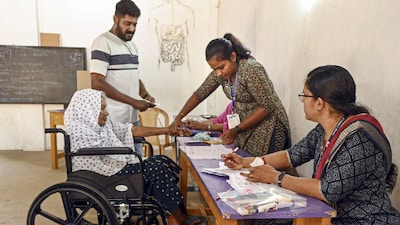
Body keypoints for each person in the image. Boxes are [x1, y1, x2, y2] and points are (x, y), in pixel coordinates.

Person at [222, 65, 400, 225]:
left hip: (362, 220)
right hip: (329, 214)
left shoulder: (359, 139)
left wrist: (276, 177)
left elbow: (327, 191)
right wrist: (248, 162)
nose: (302, 101)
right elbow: (292, 156)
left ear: (320, 103)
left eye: (304, 96)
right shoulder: (326, 128)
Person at [64, 89, 206, 225]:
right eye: (101, 109)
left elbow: (132, 130)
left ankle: (173, 213)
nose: (106, 113)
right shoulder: (79, 130)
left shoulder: (102, 125)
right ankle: (177, 219)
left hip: (113, 167)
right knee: (155, 169)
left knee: (163, 161)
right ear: (88, 110)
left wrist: (167, 130)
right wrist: (126, 153)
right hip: (102, 175)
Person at [170, 33, 291, 157]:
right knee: (245, 165)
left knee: (262, 166)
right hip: (246, 126)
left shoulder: (251, 70)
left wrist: (238, 129)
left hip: (268, 126)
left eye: (221, 67)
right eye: (214, 69)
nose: (218, 73)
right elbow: (200, 93)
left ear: (233, 57)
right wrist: (179, 117)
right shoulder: (223, 74)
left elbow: (267, 106)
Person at [90, 0, 155, 156]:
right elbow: (96, 82)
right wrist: (133, 102)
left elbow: (133, 76)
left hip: (132, 119)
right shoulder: (102, 42)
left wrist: (145, 95)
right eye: (127, 23)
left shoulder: (132, 46)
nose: (131, 29)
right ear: (115, 19)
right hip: (112, 120)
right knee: (118, 166)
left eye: (135, 24)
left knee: (137, 162)